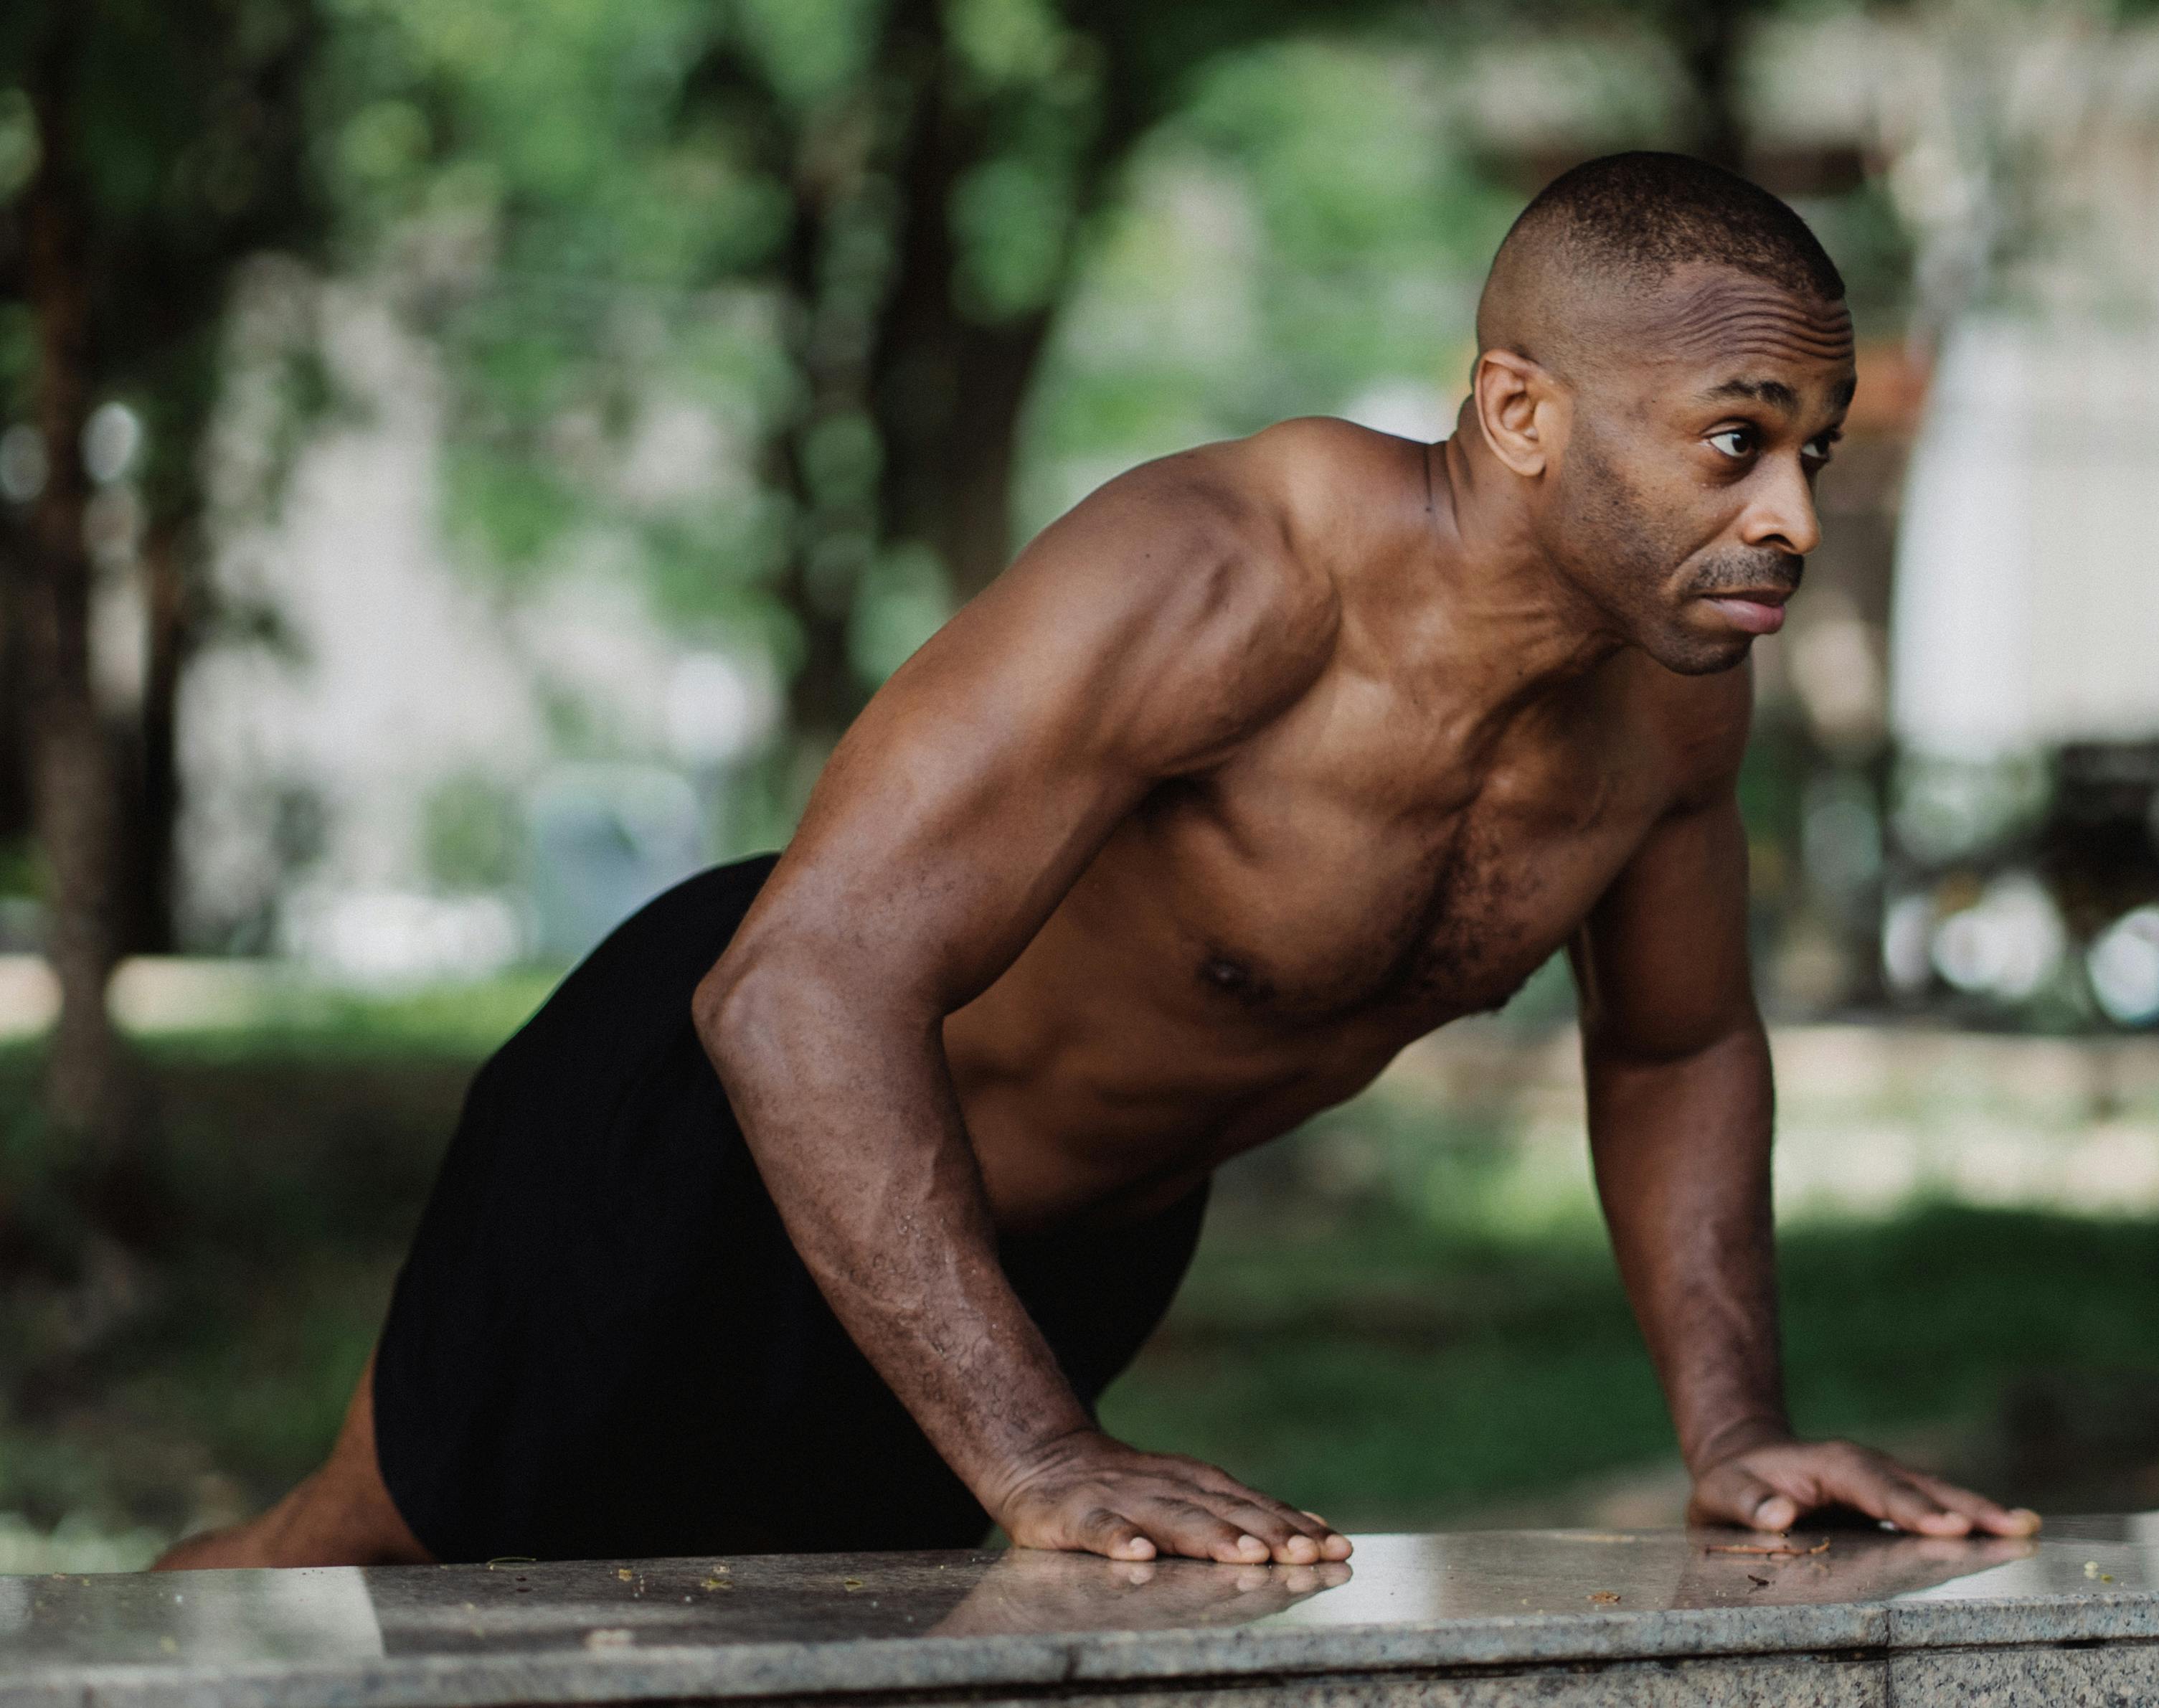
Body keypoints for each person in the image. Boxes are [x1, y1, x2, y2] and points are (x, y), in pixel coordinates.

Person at [159, 152, 2040, 1572]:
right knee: (352, 1575)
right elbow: (799, 984)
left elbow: (1672, 1047)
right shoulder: (1228, 571)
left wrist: (1735, 1431)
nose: (1785, 516)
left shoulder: (1673, 698)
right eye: (1731, 443)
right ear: (1522, 413)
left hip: (1051, 1255)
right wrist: (1035, 1455)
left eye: (1812, 449)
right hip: (718, 1140)